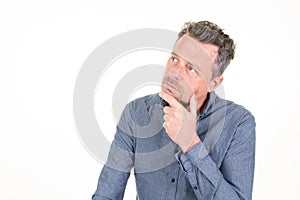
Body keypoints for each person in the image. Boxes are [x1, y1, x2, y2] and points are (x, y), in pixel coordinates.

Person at [92, 21, 256, 200]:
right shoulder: (136, 112)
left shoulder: (239, 123)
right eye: (174, 59)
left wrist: (191, 144)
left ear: (213, 83)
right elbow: (106, 194)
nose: (175, 72)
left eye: (191, 68)